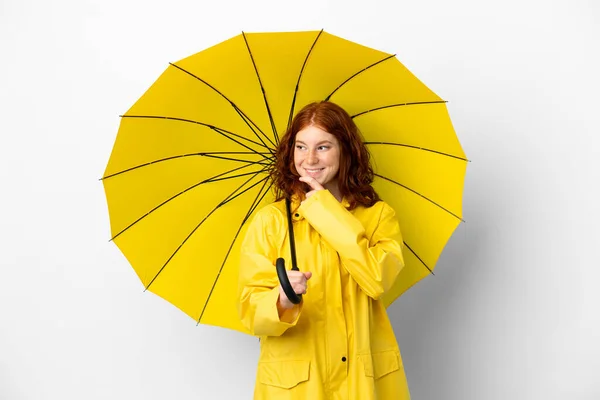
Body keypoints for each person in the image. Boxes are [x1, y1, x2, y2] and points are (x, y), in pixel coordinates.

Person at [237, 101, 411, 399]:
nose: (310, 159)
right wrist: (280, 298)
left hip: (361, 383)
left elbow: (376, 280)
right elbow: (251, 314)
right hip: (297, 387)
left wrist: (325, 210)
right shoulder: (271, 222)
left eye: (323, 147)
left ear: (345, 150)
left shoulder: (379, 216)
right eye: (301, 147)